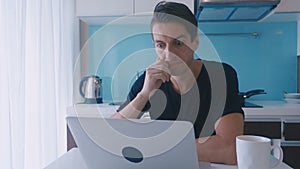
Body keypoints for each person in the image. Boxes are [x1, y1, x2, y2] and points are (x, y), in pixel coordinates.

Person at [112, 1, 244, 165]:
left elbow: (230, 149)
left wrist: (155, 148)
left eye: (178, 43)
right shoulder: (148, 80)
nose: (168, 55)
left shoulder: (220, 76)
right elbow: (113, 136)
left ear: (195, 42)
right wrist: (144, 95)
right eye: (160, 45)